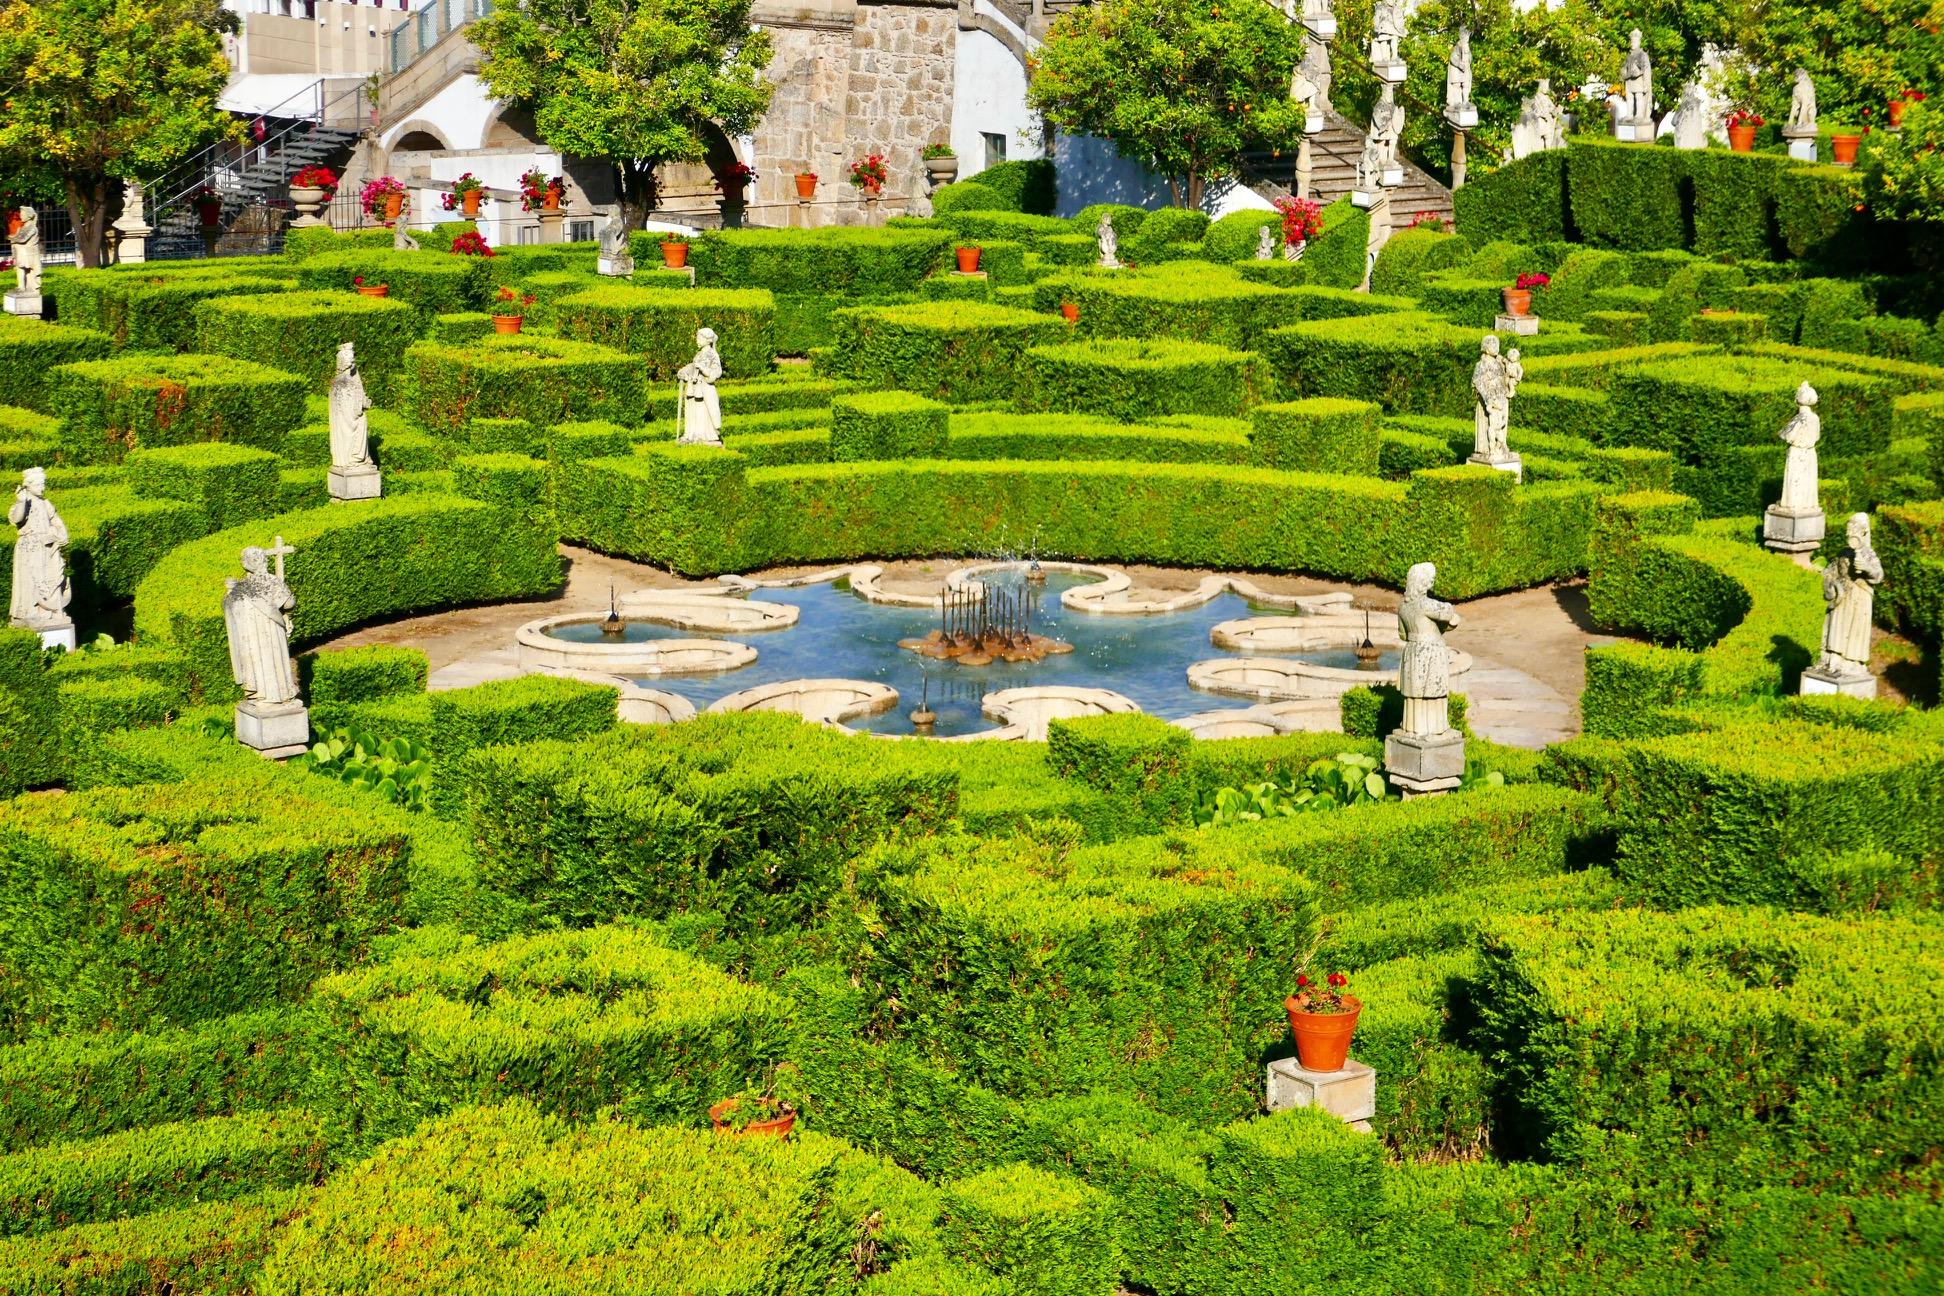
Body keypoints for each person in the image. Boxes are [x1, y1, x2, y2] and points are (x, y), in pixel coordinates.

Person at [676, 328, 724, 446]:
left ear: (707, 340)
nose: (696, 340)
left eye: (699, 338)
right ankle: (692, 434)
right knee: (694, 411)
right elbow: (693, 366)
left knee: (703, 412)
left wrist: (703, 369)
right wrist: (684, 371)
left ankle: (706, 435)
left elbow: (717, 372)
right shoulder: (699, 354)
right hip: (694, 387)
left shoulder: (713, 354)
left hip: (705, 389)